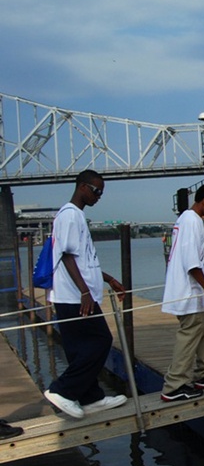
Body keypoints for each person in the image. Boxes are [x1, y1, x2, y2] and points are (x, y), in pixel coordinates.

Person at [43, 170, 129, 419]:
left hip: (78, 295)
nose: (99, 196)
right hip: (74, 297)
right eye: (96, 190)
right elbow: (67, 256)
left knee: (80, 349)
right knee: (101, 340)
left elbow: (84, 260)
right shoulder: (69, 215)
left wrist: (109, 279)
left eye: (101, 192)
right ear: (82, 187)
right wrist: (84, 292)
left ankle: (90, 398)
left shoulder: (76, 216)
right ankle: (62, 391)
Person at [160, 182, 204, 402]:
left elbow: (189, 257)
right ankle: (174, 385)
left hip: (193, 286)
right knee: (189, 334)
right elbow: (190, 262)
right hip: (188, 291)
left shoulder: (192, 219)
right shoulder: (191, 221)